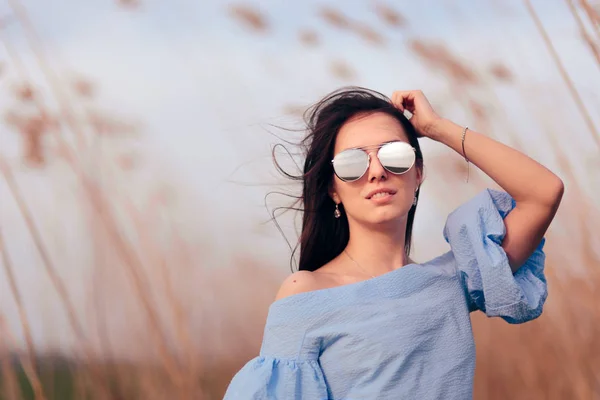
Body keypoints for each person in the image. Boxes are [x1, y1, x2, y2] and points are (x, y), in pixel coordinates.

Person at [223, 87, 564, 399]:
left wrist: (436, 128)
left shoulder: (455, 281)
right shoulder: (306, 294)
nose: (376, 171)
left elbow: (543, 193)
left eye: (395, 155)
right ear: (332, 189)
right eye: (352, 162)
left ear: (418, 174)